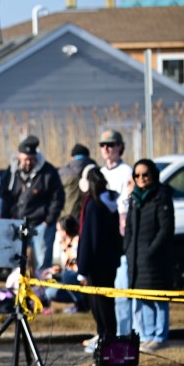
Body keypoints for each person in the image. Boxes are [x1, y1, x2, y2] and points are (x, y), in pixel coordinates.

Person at [124, 158, 175, 350]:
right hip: (136, 258)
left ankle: (160, 336)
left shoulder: (161, 196)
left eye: (145, 174)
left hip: (155, 258)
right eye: (137, 175)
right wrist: (128, 248)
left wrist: (151, 250)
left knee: (158, 298)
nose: (141, 178)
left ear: (153, 175)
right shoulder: (134, 199)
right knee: (142, 297)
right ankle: (147, 335)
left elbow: (166, 229)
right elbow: (129, 227)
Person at [0, 135, 64, 272]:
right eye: (25, 159)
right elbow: (6, 198)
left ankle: (42, 285)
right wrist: (5, 220)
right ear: (19, 156)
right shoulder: (11, 172)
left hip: (40, 225)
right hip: (17, 224)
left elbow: (58, 198)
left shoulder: (48, 172)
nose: (28, 162)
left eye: (32, 159)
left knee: (42, 266)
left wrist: (48, 221)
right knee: (17, 265)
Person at [76, 166, 121, 349]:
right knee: (107, 302)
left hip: (96, 264)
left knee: (100, 304)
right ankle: (105, 335)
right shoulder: (110, 203)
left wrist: (82, 268)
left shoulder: (93, 205)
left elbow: (88, 239)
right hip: (109, 262)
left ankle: (105, 337)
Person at [96, 129, 134, 337]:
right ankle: (106, 332)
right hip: (104, 236)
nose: (106, 149)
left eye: (110, 145)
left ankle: (123, 333)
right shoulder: (101, 173)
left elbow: (124, 204)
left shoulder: (126, 172)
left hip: (119, 233)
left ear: (120, 147)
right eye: (103, 145)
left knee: (121, 288)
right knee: (104, 290)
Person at [40, 215, 84, 313]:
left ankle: (82, 303)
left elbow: (74, 268)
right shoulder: (64, 243)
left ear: (65, 231)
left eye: (59, 230)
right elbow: (65, 266)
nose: (58, 232)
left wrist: (56, 275)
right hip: (67, 277)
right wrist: (53, 270)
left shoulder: (78, 243)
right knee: (49, 292)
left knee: (66, 275)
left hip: (79, 279)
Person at [58, 143, 95, 223]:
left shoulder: (63, 172)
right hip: (91, 218)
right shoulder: (96, 171)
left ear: (72, 158)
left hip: (68, 220)